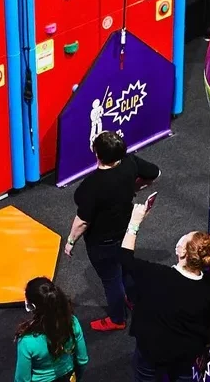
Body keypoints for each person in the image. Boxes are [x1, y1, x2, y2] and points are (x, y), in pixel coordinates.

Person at [64, 131, 160, 332]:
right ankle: (134, 300)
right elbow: (155, 173)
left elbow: (82, 222)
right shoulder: (129, 162)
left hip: (102, 242)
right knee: (126, 266)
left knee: (111, 280)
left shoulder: (91, 186)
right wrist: (136, 187)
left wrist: (70, 241)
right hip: (125, 233)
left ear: (96, 153)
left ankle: (117, 319)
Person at [119, 204, 210, 382]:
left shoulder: (156, 275)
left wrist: (135, 221)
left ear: (182, 251)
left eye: (185, 237)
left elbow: (125, 258)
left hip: (151, 353)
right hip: (186, 355)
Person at [14, 277, 88, 382]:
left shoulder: (27, 341)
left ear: (32, 307)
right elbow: (82, 360)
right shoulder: (72, 322)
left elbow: (22, 379)